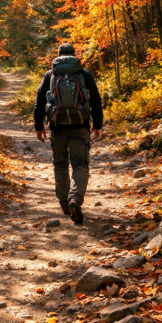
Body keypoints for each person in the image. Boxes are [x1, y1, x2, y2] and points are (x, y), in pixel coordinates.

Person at [34, 43, 103, 224]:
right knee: (80, 165)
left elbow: (40, 100)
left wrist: (38, 126)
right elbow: (96, 100)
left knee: (60, 165)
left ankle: (65, 205)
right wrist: (97, 125)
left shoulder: (51, 74)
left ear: (58, 55)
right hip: (80, 125)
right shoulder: (83, 74)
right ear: (74, 55)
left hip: (57, 126)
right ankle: (75, 199)